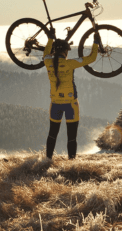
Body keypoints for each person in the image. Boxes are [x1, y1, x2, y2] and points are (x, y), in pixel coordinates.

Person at [43, 29, 101, 159]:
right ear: (64, 52)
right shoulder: (70, 64)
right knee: (72, 136)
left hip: (55, 104)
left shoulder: (47, 62)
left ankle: (47, 161)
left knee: (52, 134)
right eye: (67, 51)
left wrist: (50, 39)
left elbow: (46, 53)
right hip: (71, 104)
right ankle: (72, 163)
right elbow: (92, 58)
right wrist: (96, 42)